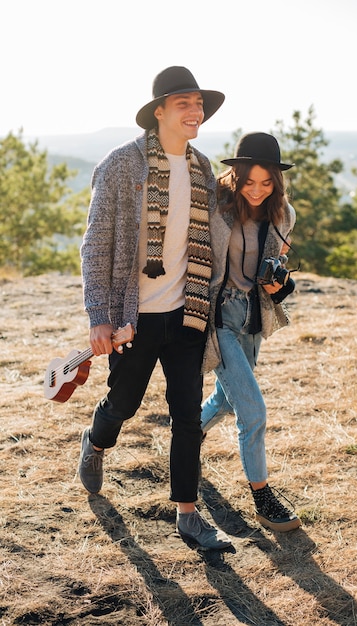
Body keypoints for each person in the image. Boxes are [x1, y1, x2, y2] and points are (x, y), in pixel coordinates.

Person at [78, 66, 232, 550]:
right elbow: (95, 244)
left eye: (199, 104)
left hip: (187, 313)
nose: (196, 112)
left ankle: (188, 515)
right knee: (123, 403)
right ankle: (96, 441)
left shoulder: (204, 168)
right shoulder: (122, 165)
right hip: (133, 316)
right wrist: (99, 315)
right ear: (160, 111)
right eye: (184, 103)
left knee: (187, 414)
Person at [201, 132, 301, 532]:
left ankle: (186, 434)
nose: (257, 190)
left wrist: (282, 285)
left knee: (227, 400)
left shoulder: (283, 215)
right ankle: (263, 497)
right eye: (249, 181)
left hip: (253, 317)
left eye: (267, 182)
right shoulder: (216, 209)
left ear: (277, 180)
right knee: (252, 410)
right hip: (219, 315)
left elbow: (277, 271)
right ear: (236, 176)